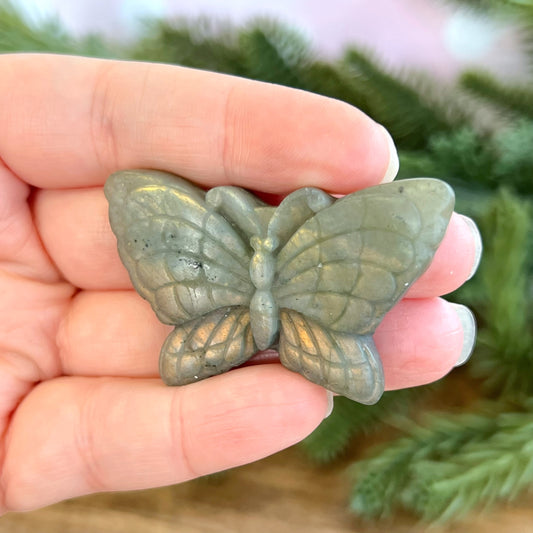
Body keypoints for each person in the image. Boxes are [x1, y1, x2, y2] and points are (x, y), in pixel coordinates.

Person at [0, 54, 480, 513]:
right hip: (290, 321)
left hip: (239, 318)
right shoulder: (152, 201)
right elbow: (133, 196)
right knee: (196, 371)